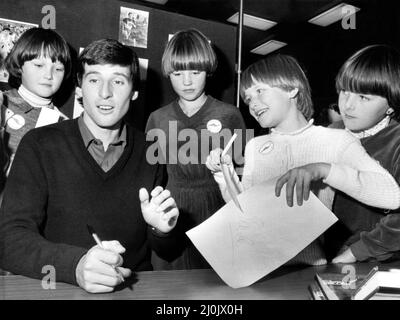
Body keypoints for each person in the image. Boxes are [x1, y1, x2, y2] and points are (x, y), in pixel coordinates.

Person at [0, 38, 182, 293]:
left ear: (134, 92)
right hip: (59, 290)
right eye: (94, 80)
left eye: (118, 81)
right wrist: (76, 266)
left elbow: (168, 250)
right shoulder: (40, 144)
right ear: (79, 89)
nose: (105, 92)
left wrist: (161, 230)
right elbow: (9, 241)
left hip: (132, 290)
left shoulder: (151, 149)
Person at [206, 54, 400, 266]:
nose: (253, 103)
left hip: (307, 268)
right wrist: (224, 176)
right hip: (258, 267)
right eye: (248, 98)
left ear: (291, 89)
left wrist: (325, 170)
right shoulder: (255, 147)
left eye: (260, 91)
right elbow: (246, 212)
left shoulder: (336, 139)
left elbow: (391, 196)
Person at [145, 28, 247, 270]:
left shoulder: (230, 115)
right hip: (170, 214)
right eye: (178, 73)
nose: (187, 81)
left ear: (208, 70)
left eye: (196, 71)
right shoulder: (157, 119)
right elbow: (151, 179)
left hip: (219, 216)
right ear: (168, 73)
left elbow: (245, 180)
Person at [324, 45, 400, 264]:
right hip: (325, 252)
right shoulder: (330, 133)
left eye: (364, 97)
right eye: (344, 91)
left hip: (374, 259)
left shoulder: (396, 144)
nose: (347, 105)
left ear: (390, 105)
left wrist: (356, 252)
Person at [0, 28, 71, 178]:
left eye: (58, 68)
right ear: (19, 65)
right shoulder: (2, 104)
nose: (49, 75)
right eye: (39, 65)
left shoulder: (63, 125)